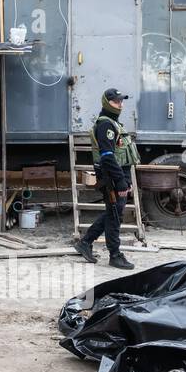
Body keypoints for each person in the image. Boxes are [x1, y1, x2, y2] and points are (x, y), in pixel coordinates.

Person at [73, 88, 136, 270]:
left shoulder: (113, 124)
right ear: (107, 103)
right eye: (116, 102)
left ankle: (86, 242)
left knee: (112, 212)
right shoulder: (106, 125)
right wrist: (121, 181)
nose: (120, 105)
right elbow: (107, 156)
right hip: (112, 177)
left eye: (121, 101)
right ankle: (115, 255)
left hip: (117, 175)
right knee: (115, 216)